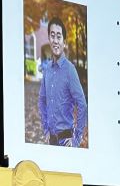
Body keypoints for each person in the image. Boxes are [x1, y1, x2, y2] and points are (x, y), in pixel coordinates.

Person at [38, 16, 88, 147]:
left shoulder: (70, 70)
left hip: (66, 142)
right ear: (49, 38)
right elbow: (42, 100)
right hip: (51, 141)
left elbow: (82, 104)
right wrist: (45, 129)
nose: (55, 40)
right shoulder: (47, 69)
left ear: (64, 42)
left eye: (59, 36)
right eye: (52, 36)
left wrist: (76, 139)